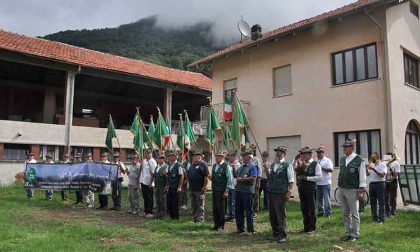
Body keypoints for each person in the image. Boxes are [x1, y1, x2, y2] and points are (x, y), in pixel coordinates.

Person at [336, 139, 367, 242]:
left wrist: (361, 190)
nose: (344, 149)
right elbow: (341, 172)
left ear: (352, 148)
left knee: (354, 213)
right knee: (345, 212)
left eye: (346, 147)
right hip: (341, 188)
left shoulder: (359, 159)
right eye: (343, 147)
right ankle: (348, 232)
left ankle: (355, 234)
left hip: (352, 189)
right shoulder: (342, 159)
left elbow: (362, 175)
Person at [267, 146, 294, 243]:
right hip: (271, 191)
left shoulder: (287, 165)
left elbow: (291, 179)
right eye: (277, 152)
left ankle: (283, 234)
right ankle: (275, 232)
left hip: (281, 192)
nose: (278, 153)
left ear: (284, 154)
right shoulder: (272, 165)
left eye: (281, 152)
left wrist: (289, 191)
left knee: (281, 214)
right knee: (272, 214)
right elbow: (270, 177)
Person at [295, 147, 322, 233]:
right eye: (302, 154)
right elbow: (293, 168)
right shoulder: (300, 163)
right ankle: (305, 227)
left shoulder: (315, 164)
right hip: (302, 188)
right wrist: (296, 160)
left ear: (310, 154)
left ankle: (312, 227)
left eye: (305, 154)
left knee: (311, 208)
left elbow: (319, 177)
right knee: (304, 208)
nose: (303, 155)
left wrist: (307, 178)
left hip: (310, 188)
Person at [234, 149, 258, 234]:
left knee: (248, 211)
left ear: (248, 157)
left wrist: (242, 179)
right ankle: (240, 229)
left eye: (244, 156)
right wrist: (233, 168)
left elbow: (254, 177)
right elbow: (236, 175)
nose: (242, 158)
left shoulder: (253, 166)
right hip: (238, 191)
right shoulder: (241, 166)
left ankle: (250, 229)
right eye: (242, 156)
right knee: (238, 210)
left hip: (247, 191)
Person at [210, 150, 233, 231]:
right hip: (215, 189)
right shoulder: (214, 166)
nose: (217, 158)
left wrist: (227, 191)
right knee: (215, 208)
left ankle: (221, 225)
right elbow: (213, 177)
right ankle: (216, 224)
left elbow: (229, 179)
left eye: (219, 157)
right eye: (216, 157)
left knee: (221, 208)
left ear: (222, 157)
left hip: (222, 191)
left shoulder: (226, 166)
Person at [187, 149, 209, 223]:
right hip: (193, 188)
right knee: (193, 204)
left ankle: (200, 218)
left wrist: (205, 186)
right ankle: (194, 217)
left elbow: (206, 177)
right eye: (193, 156)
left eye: (195, 156)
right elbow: (189, 174)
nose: (194, 157)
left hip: (200, 188)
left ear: (199, 157)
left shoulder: (203, 164)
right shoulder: (192, 165)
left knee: (200, 204)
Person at [367, 152, 387, 224]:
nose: (372, 159)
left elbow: (382, 175)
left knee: (381, 202)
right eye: (371, 157)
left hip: (380, 183)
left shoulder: (382, 164)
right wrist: (367, 169)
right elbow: (367, 174)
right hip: (372, 184)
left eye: (373, 158)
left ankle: (381, 219)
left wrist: (374, 169)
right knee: (373, 202)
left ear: (377, 158)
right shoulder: (371, 164)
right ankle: (374, 218)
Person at [315, 146, 334, 218]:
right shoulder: (315, 160)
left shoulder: (327, 160)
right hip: (317, 182)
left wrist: (321, 168)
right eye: (317, 153)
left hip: (326, 182)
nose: (318, 154)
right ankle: (320, 212)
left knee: (327, 199)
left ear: (323, 153)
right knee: (319, 199)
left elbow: (331, 169)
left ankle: (328, 212)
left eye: (320, 152)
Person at [166, 150, 184, 220]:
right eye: (169, 156)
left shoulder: (178, 165)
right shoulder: (170, 165)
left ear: (175, 157)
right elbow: (168, 175)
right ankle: (171, 216)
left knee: (175, 202)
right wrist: (167, 185)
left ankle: (176, 217)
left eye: (171, 156)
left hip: (175, 186)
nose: (170, 157)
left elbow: (181, 176)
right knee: (169, 202)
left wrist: (179, 186)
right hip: (170, 186)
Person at [140, 149, 156, 218]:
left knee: (149, 198)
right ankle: (145, 211)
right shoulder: (144, 161)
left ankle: (150, 212)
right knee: (145, 197)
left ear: (151, 154)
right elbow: (142, 170)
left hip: (149, 183)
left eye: (148, 154)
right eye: (145, 154)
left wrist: (151, 182)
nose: (146, 155)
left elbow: (153, 174)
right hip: (143, 181)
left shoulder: (153, 162)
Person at [226, 150, 241, 222]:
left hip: (235, 186)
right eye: (229, 156)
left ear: (234, 157)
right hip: (229, 186)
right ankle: (230, 214)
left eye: (230, 156)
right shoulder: (228, 164)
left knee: (233, 202)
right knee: (229, 201)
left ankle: (234, 216)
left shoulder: (238, 165)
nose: (229, 158)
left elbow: (237, 176)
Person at [154, 152, 169, 220]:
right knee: (157, 200)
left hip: (163, 186)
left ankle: (163, 214)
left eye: (161, 158)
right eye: (158, 158)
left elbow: (168, 178)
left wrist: (167, 185)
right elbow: (155, 176)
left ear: (164, 159)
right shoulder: (157, 167)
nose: (159, 160)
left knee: (163, 200)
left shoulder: (166, 167)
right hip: (157, 186)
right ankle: (158, 213)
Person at [385, 152, 400, 218]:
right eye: (386, 156)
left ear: (392, 157)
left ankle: (393, 213)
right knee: (385, 197)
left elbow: (396, 173)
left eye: (389, 157)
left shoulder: (396, 163)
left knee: (393, 198)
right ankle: (387, 212)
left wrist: (391, 179)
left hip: (393, 181)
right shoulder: (384, 163)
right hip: (385, 181)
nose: (387, 158)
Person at [250, 144, 262, 217]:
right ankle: (249, 209)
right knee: (249, 196)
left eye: (253, 149)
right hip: (248, 181)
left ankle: (255, 211)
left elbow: (259, 171)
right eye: (250, 149)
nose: (251, 151)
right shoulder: (248, 159)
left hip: (255, 180)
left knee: (255, 196)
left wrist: (258, 182)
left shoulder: (256, 160)